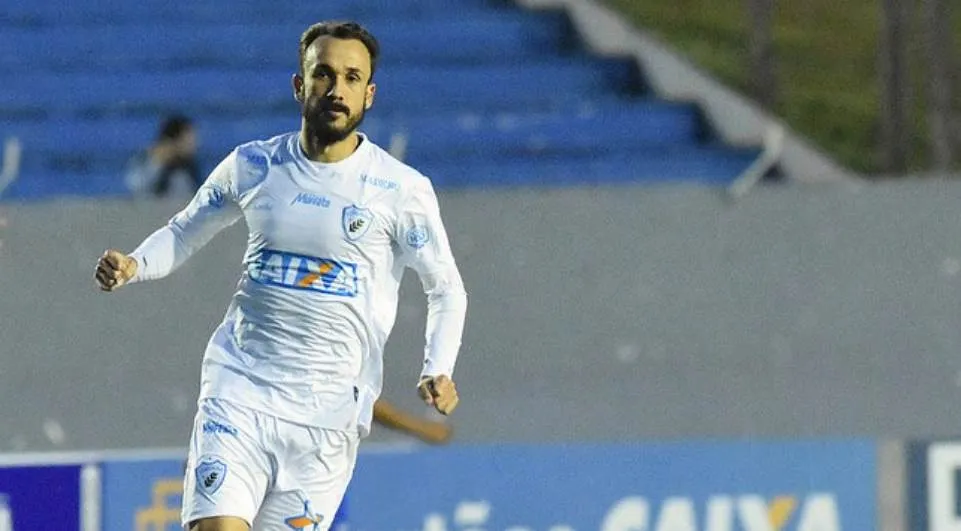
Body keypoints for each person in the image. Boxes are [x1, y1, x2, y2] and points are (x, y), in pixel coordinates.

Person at [94, 20, 467, 531]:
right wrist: (135, 264)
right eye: (324, 74)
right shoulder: (253, 166)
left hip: (327, 424)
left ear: (370, 94)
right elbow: (183, 232)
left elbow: (445, 288)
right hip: (240, 393)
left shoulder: (400, 190)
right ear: (300, 85)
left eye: (353, 78)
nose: (337, 90)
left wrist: (437, 367)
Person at [124, 114, 202, 198]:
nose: (195, 144)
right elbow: (135, 188)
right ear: (175, 140)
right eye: (189, 139)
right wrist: (157, 163)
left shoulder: (189, 169)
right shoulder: (144, 161)